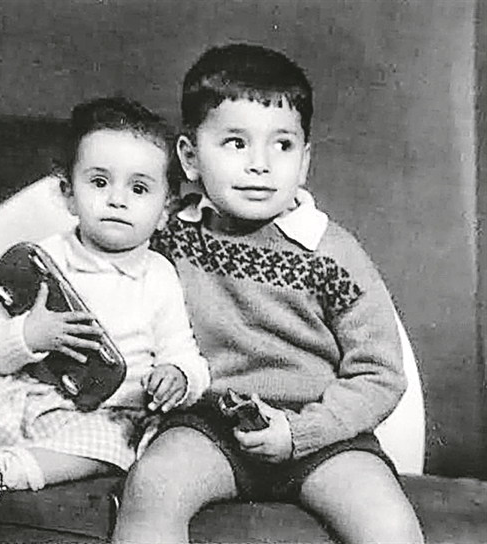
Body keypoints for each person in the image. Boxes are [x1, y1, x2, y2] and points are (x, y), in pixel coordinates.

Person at [112, 44, 424, 544]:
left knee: (389, 525)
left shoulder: (332, 253)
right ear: (190, 158)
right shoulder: (169, 235)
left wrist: (302, 433)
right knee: (152, 486)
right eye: (236, 143)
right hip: (209, 426)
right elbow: (101, 271)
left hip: (322, 437)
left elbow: (380, 374)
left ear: (304, 162)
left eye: (281, 146)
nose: (260, 164)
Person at [0, 96, 210, 544]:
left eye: (140, 189)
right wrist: (29, 335)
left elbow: (183, 350)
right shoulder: (41, 259)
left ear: (165, 210)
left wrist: (178, 376)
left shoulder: (159, 277)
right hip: (26, 392)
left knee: (113, 446)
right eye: (99, 182)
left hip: (105, 410)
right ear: (67, 194)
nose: (117, 200)